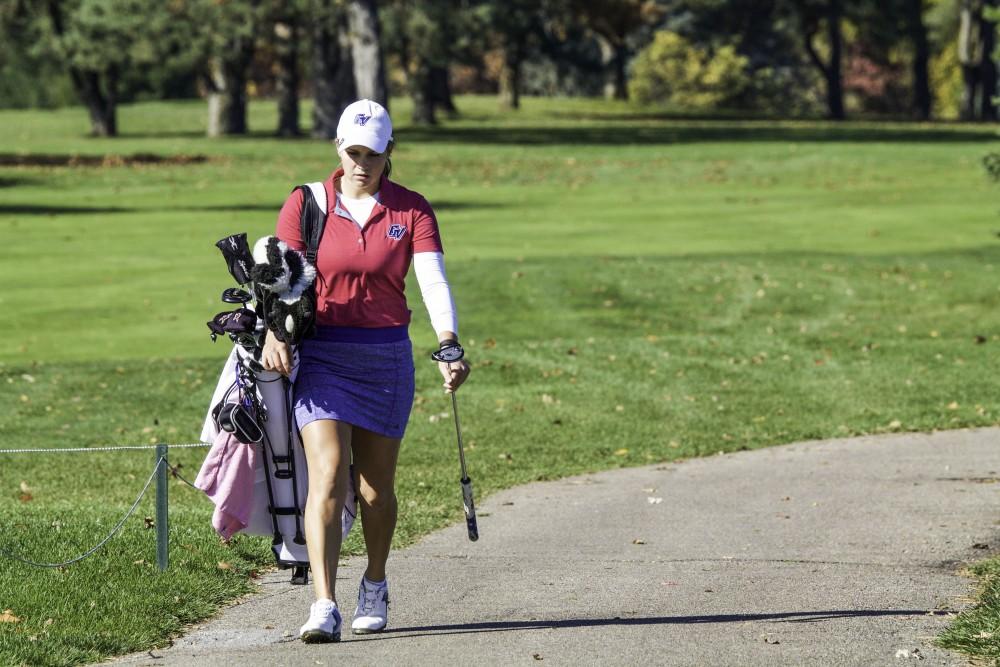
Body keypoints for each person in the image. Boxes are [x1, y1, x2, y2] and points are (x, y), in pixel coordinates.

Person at [261, 99, 470, 643]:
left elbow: (432, 282)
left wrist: (448, 341)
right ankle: (323, 604)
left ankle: (374, 581)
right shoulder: (306, 203)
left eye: (372, 153)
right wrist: (273, 332)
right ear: (338, 148)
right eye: (353, 152)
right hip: (325, 353)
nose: (361, 163)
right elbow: (281, 280)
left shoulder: (412, 210)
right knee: (328, 474)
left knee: (376, 490)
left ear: (389, 153)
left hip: (385, 357)